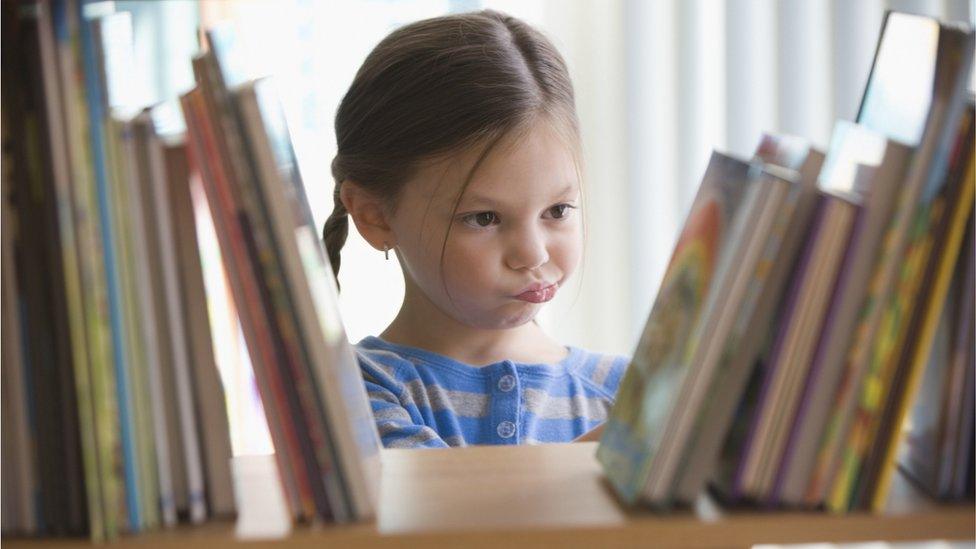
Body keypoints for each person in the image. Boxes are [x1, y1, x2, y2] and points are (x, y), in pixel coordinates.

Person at [322, 9, 629, 448]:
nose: (534, 253)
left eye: (558, 210)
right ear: (376, 216)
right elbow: (453, 517)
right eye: (484, 218)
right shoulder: (354, 392)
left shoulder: (627, 392)